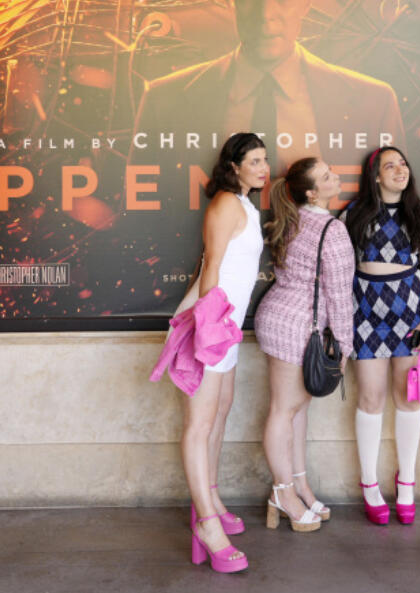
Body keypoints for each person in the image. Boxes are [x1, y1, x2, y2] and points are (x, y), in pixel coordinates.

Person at [131, 0, 405, 172]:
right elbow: (144, 218)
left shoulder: (374, 105)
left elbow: (392, 216)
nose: (266, 14)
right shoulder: (163, 102)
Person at [179, 133, 268, 574]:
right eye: (254, 160)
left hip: (226, 327)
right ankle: (208, 527)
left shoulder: (246, 206)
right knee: (200, 424)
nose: (263, 167)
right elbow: (210, 266)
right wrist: (208, 329)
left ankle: (209, 498)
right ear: (233, 166)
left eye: (265, 159)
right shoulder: (226, 204)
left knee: (219, 413)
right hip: (211, 324)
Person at [341, 147, 420, 525]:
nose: (400, 170)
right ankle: (369, 483)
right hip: (365, 313)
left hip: (409, 315)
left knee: (408, 398)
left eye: (403, 164)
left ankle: (407, 482)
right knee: (370, 397)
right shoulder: (353, 215)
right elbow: (340, 270)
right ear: (376, 177)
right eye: (390, 165)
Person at [253, 157, 355, 533]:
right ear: (312, 192)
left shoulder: (292, 218)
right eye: (327, 175)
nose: (336, 175)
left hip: (279, 318)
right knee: (284, 410)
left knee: (296, 410)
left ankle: (300, 486)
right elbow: (340, 296)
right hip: (297, 327)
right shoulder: (332, 230)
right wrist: (344, 346)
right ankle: (282, 493)